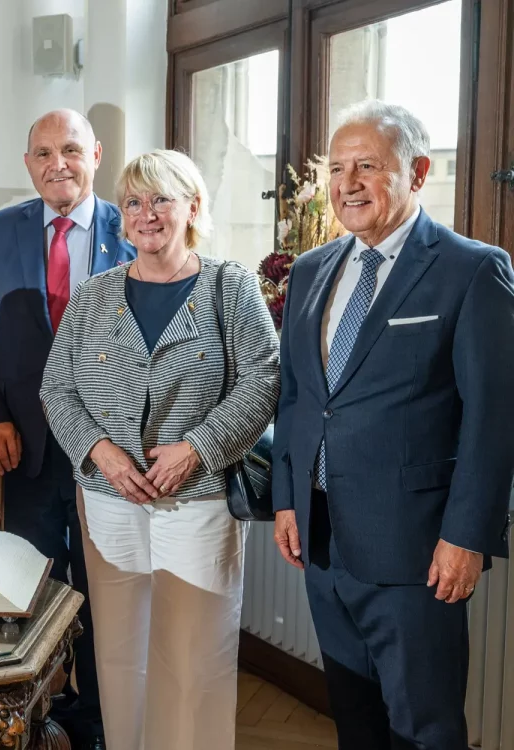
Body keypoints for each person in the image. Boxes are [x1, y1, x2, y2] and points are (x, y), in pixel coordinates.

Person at [272, 100, 514, 750]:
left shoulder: (472, 270)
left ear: (418, 172)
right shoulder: (311, 271)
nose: (347, 183)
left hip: (417, 554)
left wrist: (467, 536)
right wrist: (288, 502)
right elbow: (297, 398)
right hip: (324, 544)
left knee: (425, 731)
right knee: (356, 722)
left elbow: (494, 420)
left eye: (368, 167)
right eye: (338, 167)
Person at [40, 149, 279, 750]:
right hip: (109, 499)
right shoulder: (93, 296)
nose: (147, 214)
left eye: (162, 199)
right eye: (134, 202)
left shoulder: (232, 285)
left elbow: (264, 377)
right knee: (121, 657)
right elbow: (57, 387)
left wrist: (198, 447)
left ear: (193, 207)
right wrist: (100, 451)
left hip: (196, 499)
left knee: (195, 657)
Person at [0, 108, 135, 749]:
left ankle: (100, 721)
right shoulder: (1, 230)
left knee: (102, 589)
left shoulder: (132, 224)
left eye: (71, 150)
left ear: (97, 154)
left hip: (112, 455)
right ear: (27, 162)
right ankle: (36, 715)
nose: (58, 163)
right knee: (30, 586)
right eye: (43, 153)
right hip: (24, 448)